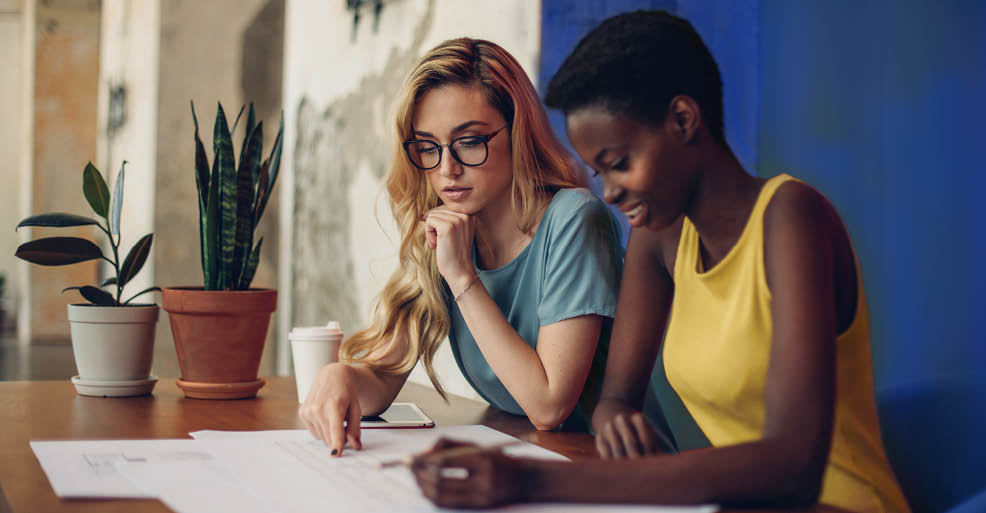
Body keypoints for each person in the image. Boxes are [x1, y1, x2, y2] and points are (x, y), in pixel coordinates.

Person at [409, 11, 910, 513]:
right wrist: (616, 424)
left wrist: (531, 480)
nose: (607, 192)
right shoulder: (660, 238)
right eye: (599, 170)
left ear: (684, 120)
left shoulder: (792, 218)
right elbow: (615, 401)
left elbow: (793, 465)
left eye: (619, 163)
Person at [299, 38, 622, 455]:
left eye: (469, 142)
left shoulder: (574, 218)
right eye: (428, 147)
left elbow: (549, 405)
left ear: (518, 132)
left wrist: (462, 278)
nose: (447, 169)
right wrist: (341, 376)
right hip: (530, 460)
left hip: (615, 469)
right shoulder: (449, 230)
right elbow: (383, 378)